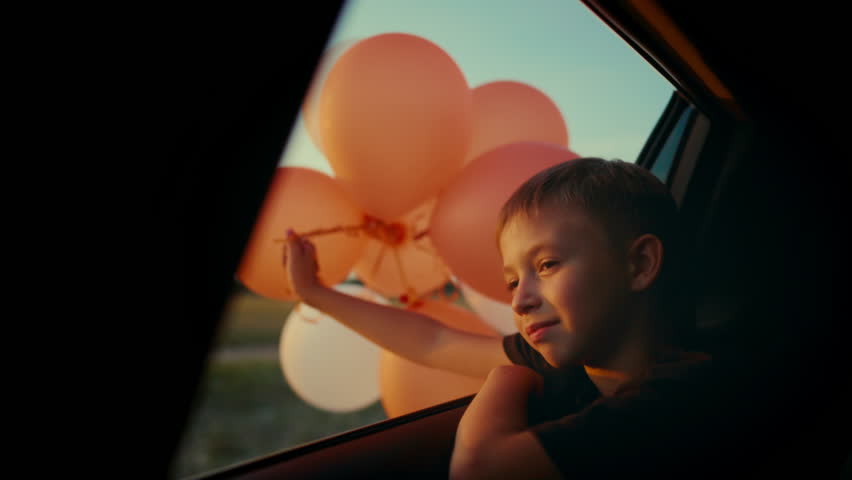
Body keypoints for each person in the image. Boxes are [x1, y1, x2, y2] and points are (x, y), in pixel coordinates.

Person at [284, 157, 720, 479]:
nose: (520, 300)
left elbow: (478, 469)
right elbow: (433, 343)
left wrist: (503, 380)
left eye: (547, 264)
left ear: (640, 264)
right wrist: (315, 294)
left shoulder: (682, 397)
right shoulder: (572, 361)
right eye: (512, 282)